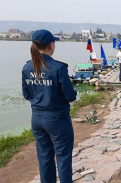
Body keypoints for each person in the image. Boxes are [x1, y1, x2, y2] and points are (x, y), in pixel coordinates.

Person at [22, 29, 77, 183]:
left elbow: (27, 95)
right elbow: (69, 96)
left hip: (37, 119)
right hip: (57, 120)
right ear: (51, 45)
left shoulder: (27, 68)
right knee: (63, 158)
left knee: (44, 158)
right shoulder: (58, 68)